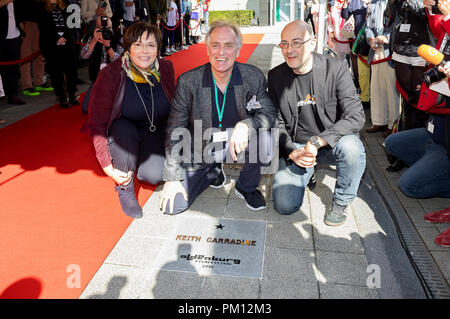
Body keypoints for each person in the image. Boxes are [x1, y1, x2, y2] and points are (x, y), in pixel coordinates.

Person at [159, 20, 277, 215]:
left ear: (238, 50)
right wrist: (172, 178)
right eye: (215, 45)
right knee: (174, 206)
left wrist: (247, 125)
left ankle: (245, 187)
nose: (221, 52)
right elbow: (174, 128)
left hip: (236, 143)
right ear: (207, 49)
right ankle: (211, 171)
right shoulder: (188, 81)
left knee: (264, 138)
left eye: (228, 46)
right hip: (201, 146)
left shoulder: (252, 76)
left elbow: (269, 114)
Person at [268, 20, 366, 227]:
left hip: (332, 141)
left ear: (312, 43)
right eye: (284, 44)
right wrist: (290, 151)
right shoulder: (275, 76)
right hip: (297, 146)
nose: (289, 50)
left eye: (296, 43)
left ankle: (341, 201)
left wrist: (318, 141)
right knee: (284, 205)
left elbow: (356, 115)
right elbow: (275, 122)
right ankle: (308, 173)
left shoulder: (336, 68)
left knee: (352, 148)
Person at [84, 21, 175, 218]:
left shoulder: (166, 68)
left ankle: (141, 161)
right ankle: (124, 186)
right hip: (123, 130)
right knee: (122, 130)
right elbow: (96, 124)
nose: (145, 51)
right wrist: (108, 166)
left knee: (153, 176)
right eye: (138, 44)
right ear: (128, 47)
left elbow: (174, 110)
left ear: (158, 48)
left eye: (151, 45)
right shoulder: (111, 74)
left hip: (153, 127)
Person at [34, 0, 79, 108]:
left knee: (71, 71)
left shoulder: (68, 5)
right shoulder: (42, 8)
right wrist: (56, 39)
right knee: (56, 73)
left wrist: (65, 38)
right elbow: (43, 28)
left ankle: (72, 95)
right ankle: (62, 97)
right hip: (51, 45)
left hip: (68, 43)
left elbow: (72, 25)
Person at [364, 0, 400, 137]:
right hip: (375, 52)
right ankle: (379, 121)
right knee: (376, 88)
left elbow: (400, 25)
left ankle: (393, 124)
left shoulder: (397, 3)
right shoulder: (372, 3)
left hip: (390, 52)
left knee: (391, 90)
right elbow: (367, 26)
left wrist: (387, 38)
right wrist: (371, 39)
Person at [80, 15, 122, 113]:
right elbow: (84, 56)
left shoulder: (118, 38)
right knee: (86, 108)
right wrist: (94, 40)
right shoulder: (92, 37)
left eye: (107, 27)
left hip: (114, 80)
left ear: (111, 25)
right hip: (97, 79)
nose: (104, 31)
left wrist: (107, 45)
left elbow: (120, 62)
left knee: (118, 108)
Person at [0, 0, 26, 105]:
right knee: (3, 69)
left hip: (15, 36)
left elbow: (19, 16)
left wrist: (22, 33)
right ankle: (4, 93)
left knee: (14, 68)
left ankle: (13, 95)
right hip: (2, 38)